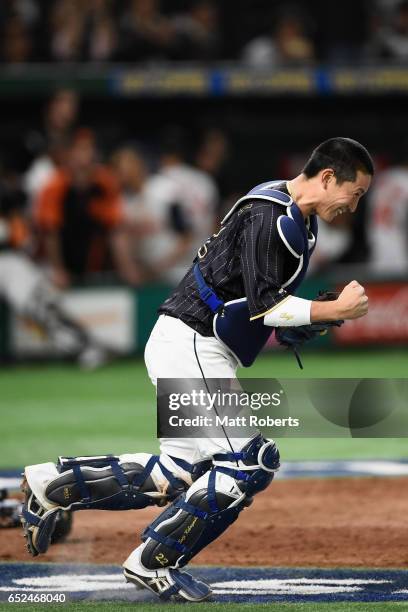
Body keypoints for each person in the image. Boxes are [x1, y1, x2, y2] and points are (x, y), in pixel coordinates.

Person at [20, 137, 373, 602]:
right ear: (328, 178)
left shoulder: (291, 215)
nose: (356, 204)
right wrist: (333, 313)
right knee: (250, 462)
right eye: (357, 192)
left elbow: (251, 298)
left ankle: (51, 485)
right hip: (192, 342)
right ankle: (152, 561)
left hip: (190, 340)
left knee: (179, 472)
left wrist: (301, 318)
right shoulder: (274, 217)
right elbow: (265, 308)